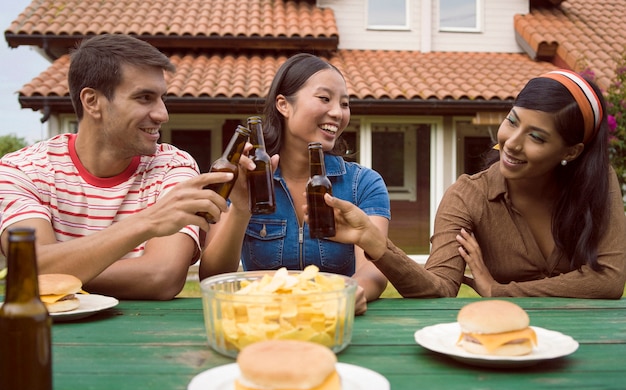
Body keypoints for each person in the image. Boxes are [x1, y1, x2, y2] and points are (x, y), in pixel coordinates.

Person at [316, 69, 626, 299]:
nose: (512, 144)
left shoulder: (598, 184)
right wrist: (375, 243)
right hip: (500, 344)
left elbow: (609, 280)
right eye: (513, 121)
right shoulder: (468, 196)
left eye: (537, 137)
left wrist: (498, 290)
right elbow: (439, 289)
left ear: (570, 151)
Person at [0, 34, 235, 300]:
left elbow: (162, 277)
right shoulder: (21, 171)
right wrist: (149, 221)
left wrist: (54, 271)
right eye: (144, 98)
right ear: (92, 102)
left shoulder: (173, 165)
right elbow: (31, 266)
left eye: (161, 98)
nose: (163, 114)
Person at [199, 53, 391, 314]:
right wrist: (241, 209)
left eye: (345, 104)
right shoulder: (245, 177)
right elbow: (212, 276)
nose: (337, 112)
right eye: (324, 99)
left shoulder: (363, 184)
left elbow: (374, 266)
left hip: (333, 318)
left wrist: (348, 294)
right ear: (283, 105)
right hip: (263, 320)